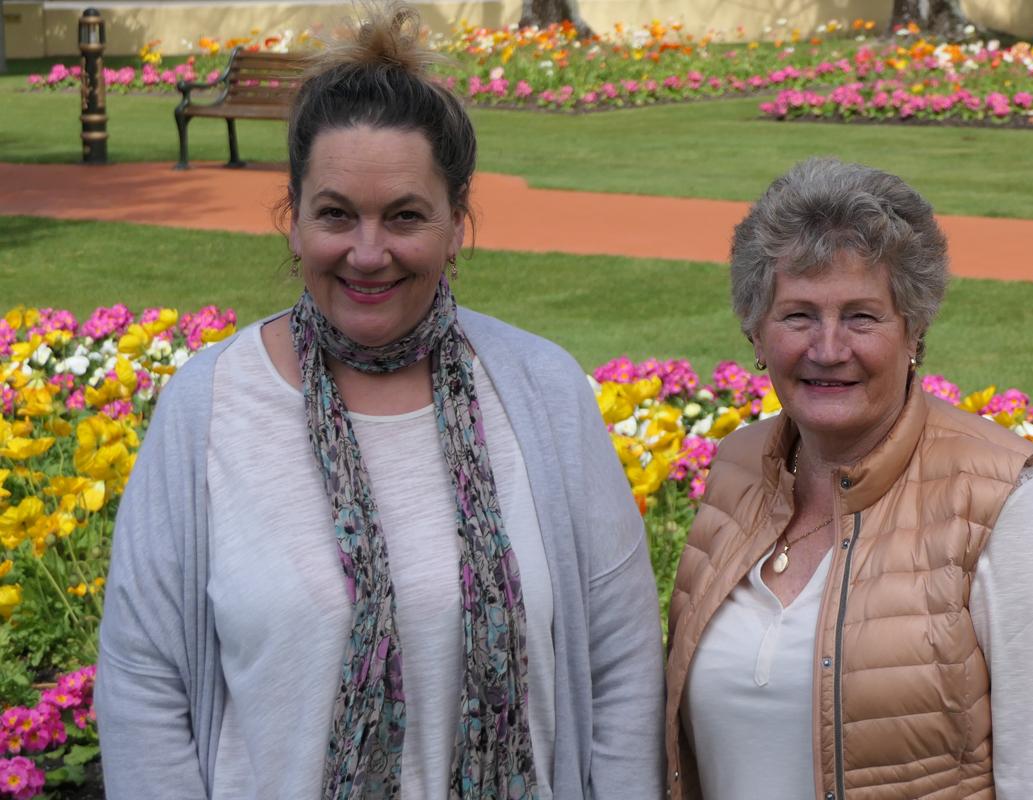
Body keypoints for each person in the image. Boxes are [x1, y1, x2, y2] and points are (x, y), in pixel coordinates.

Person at [94, 7, 664, 798]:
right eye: (336, 214)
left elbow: (622, 664)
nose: (368, 253)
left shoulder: (544, 393)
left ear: (456, 225)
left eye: (404, 216)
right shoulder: (210, 404)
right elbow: (142, 682)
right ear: (293, 221)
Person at [665, 158, 1033, 799]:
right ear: (755, 331)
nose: (828, 349)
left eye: (861, 317)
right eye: (798, 315)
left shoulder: (1004, 498)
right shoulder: (737, 469)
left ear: (913, 330)